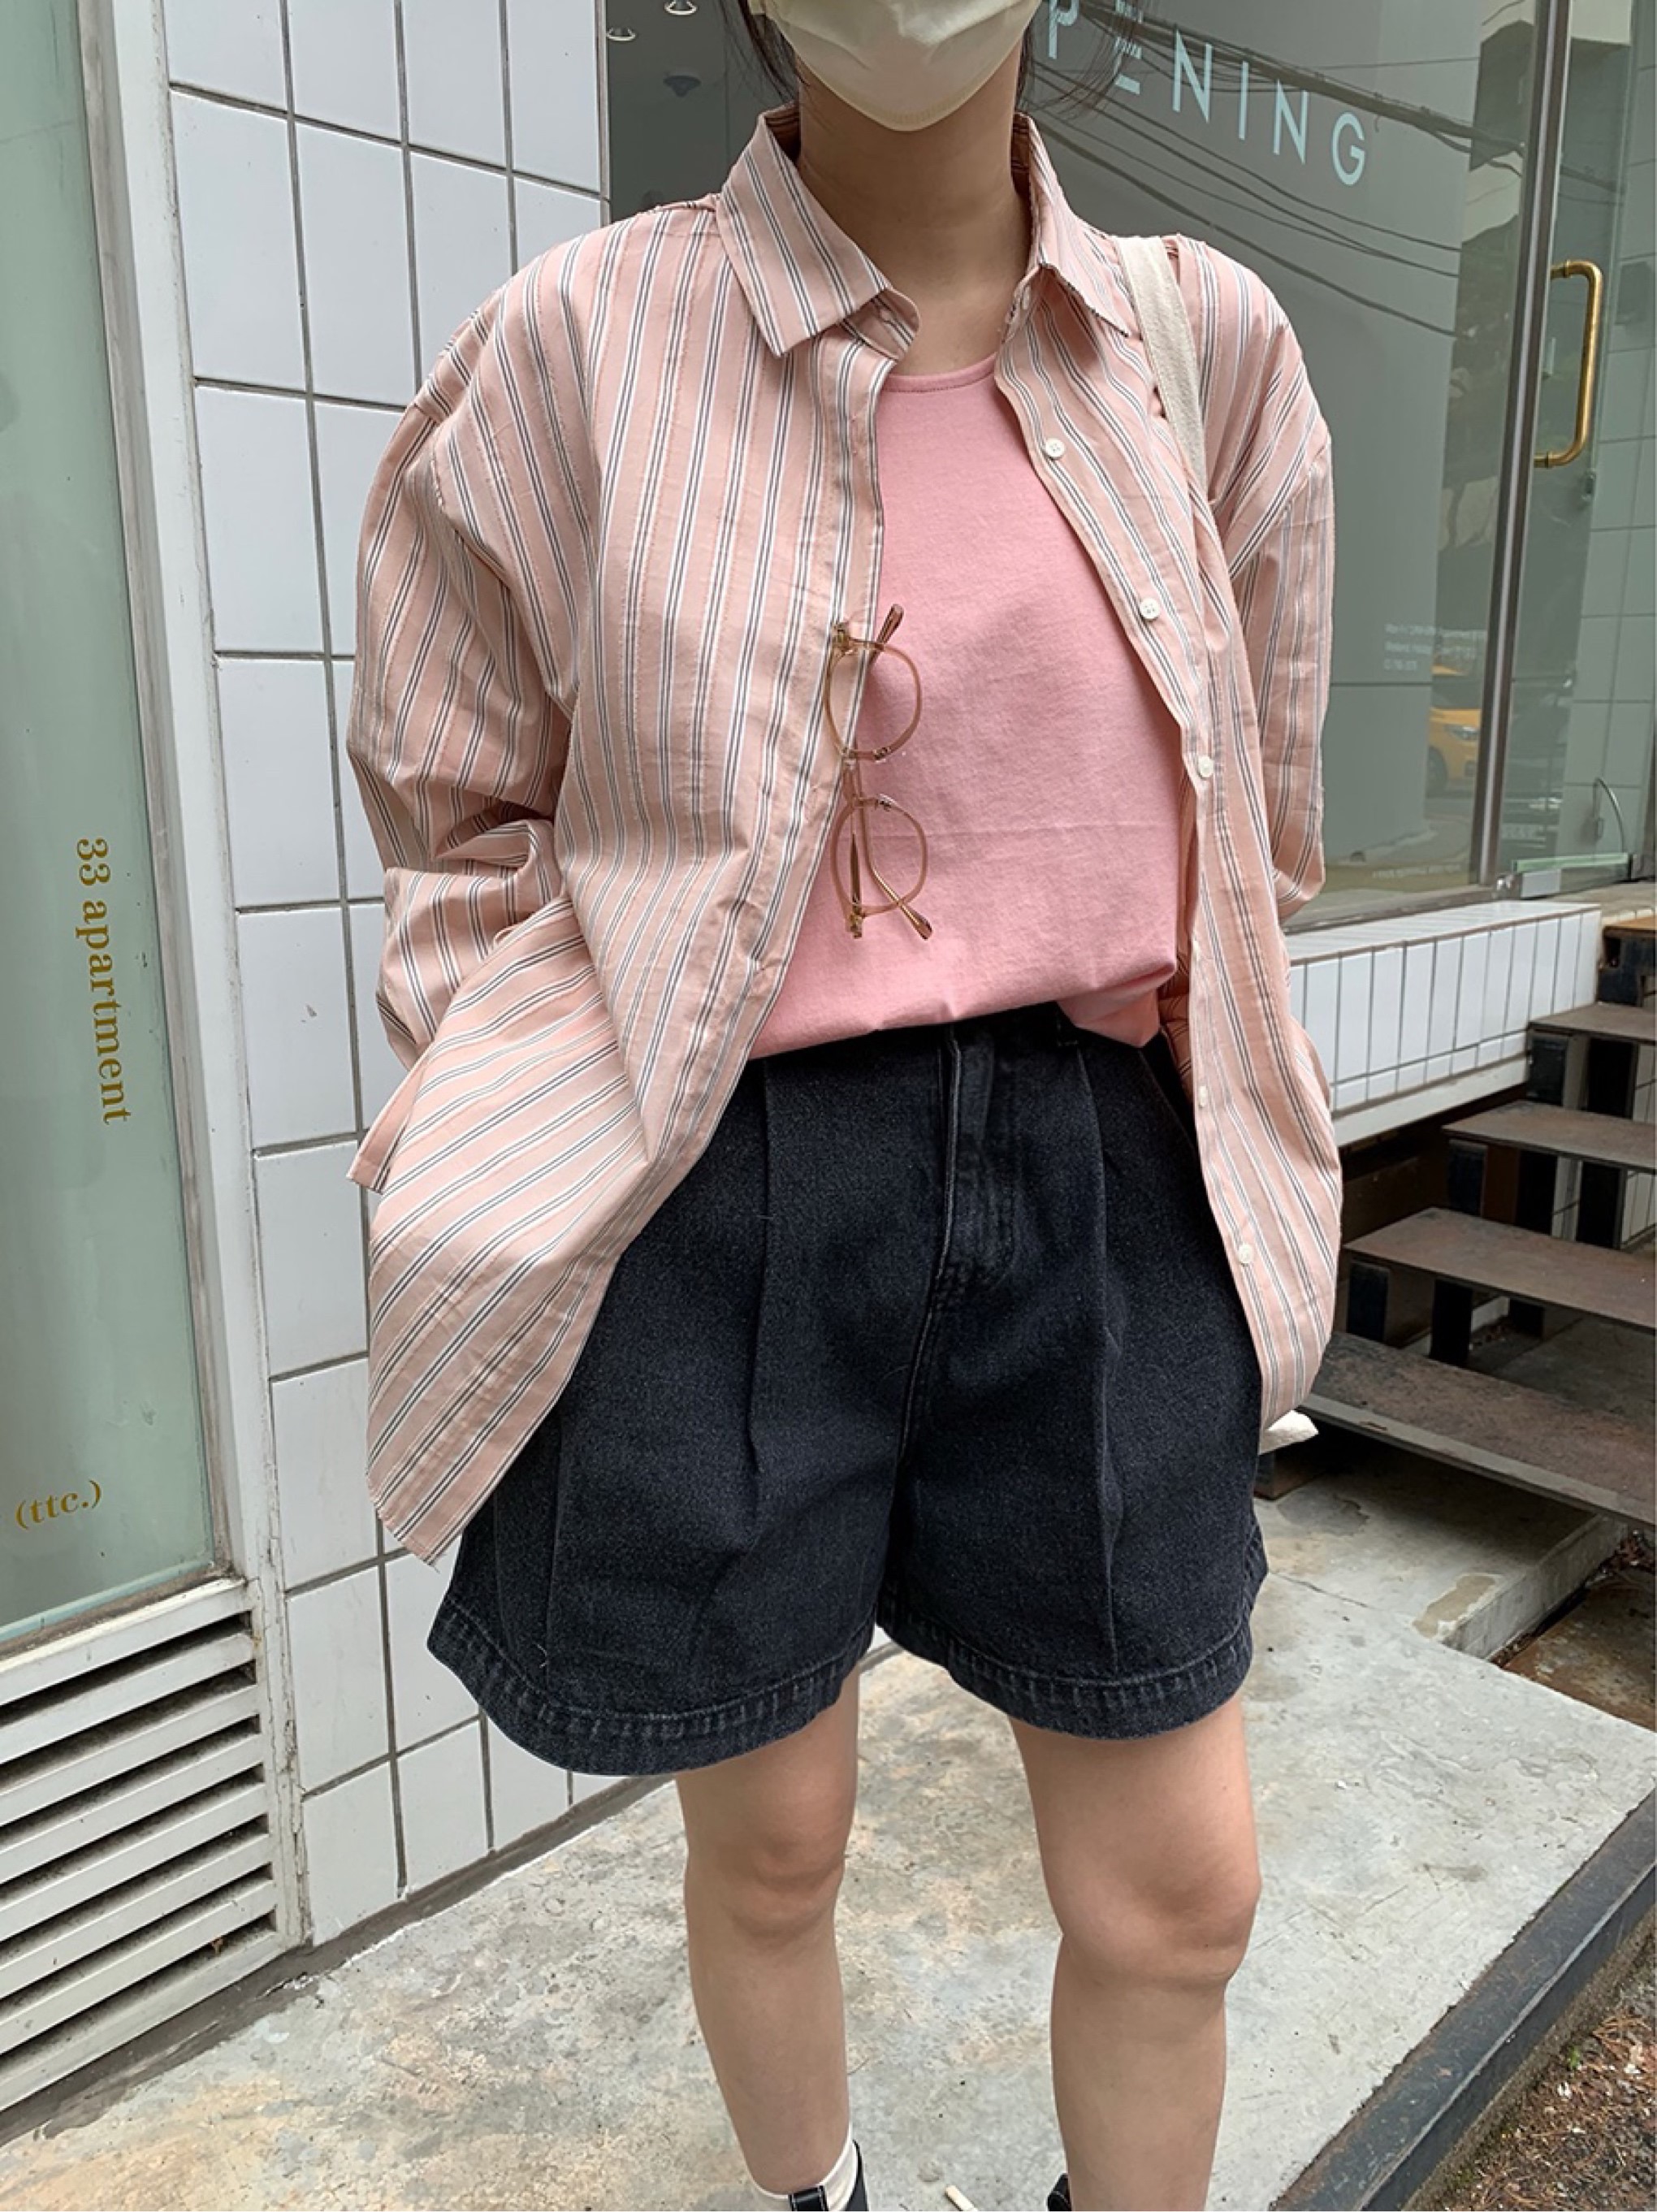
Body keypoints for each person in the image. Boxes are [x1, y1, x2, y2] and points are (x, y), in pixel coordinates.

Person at [343, 2, 1343, 2206]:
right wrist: (503, 1103)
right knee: (776, 1837)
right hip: (728, 1177)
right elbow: (453, 801)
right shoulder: (574, 349)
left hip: (1104, 1171)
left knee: (1181, 1890)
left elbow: (1267, 803)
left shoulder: (1207, 347)